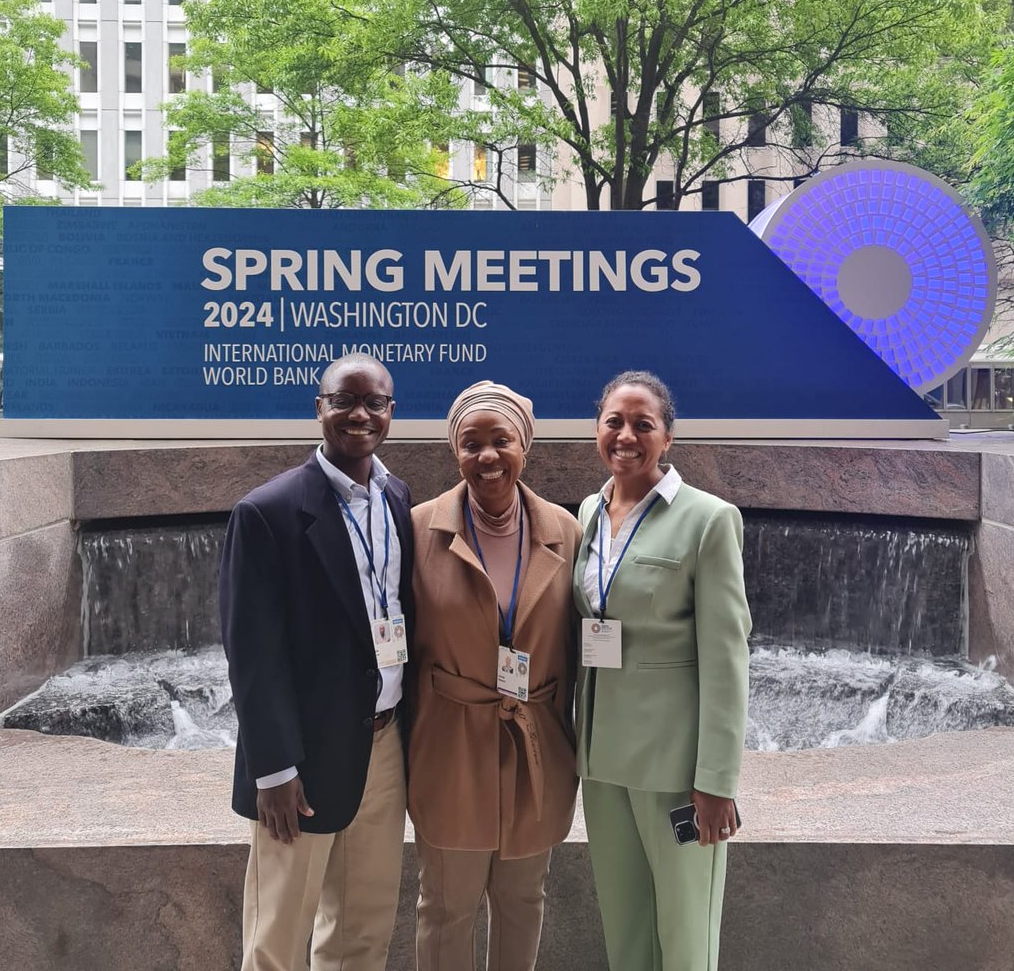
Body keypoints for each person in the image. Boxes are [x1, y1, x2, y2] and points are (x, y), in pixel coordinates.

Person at [219, 353, 414, 971]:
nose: (359, 414)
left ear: (391, 412)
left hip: (382, 748)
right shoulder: (267, 513)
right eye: (344, 401)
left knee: (362, 931)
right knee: (278, 940)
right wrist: (272, 771)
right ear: (319, 409)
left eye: (374, 402)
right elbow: (251, 654)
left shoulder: (397, 497)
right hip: (299, 763)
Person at [573, 370, 751, 971]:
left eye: (642, 425)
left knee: (684, 932)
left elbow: (728, 661)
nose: (626, 436)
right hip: (603, 765)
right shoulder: (589, 513)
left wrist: (717, 780)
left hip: (675, 771)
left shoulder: (709, 520)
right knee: (625, 928)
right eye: (614, 422)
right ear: (596, 429)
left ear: (667, 437)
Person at [408, 380, 583, 971]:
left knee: (522, 901)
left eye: (500, 440)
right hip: (450, 749)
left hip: (536, 752)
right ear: (454, 452)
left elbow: (580, 647)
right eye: (470, 443)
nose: (486, 456)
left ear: (524, 446)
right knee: (446, 908)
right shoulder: (418, 530)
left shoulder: (567, 530)